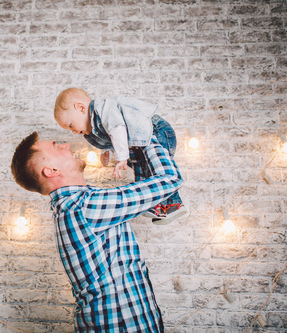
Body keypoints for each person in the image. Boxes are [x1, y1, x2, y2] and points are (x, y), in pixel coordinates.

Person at [11, 131, 183, 332]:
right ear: (51, 170)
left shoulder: (80, 203)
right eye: (58, 146)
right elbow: (170, 179)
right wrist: (145, 133)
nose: (66, 145)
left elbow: (148, 195)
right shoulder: (82, 207)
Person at [54, 87, 187, 224]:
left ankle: (174, 204)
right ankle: (158, 206)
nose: (73, 132)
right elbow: (111, 138)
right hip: (139, 141)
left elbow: (117, 128)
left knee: (158, 168)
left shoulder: (103, 109)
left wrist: (122, 156)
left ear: (80, 108)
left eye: (70, 125)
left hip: (155, 130)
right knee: (144, 171)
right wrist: (108, 152)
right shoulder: (93, 128)